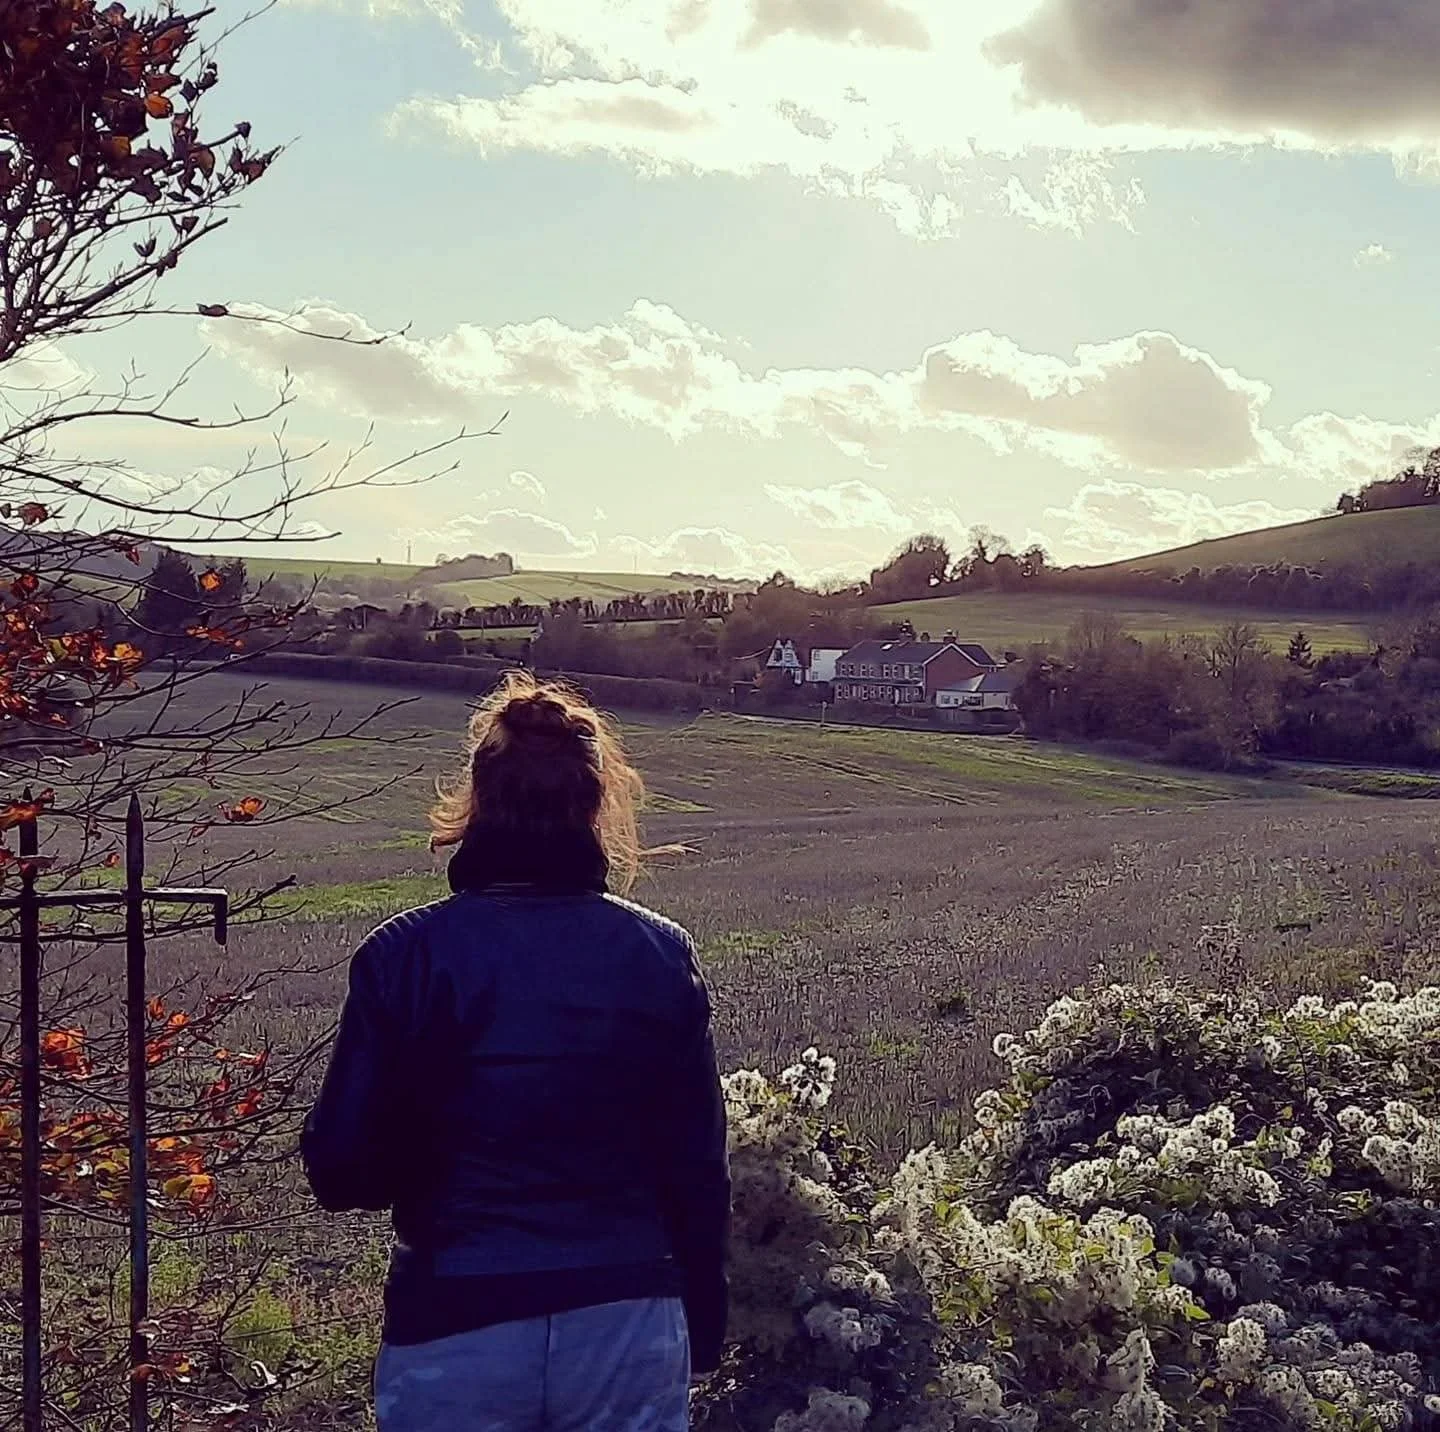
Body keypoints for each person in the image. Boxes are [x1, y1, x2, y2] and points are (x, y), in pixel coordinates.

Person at [301, 673, 730, 1431]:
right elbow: (697, 1167)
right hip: (628, 1318)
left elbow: (341, 1171)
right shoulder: (662, 956)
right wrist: (704, 1328)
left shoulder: (404, 958)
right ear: (598, 805)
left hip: (457, 1317)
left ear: (475, 802)